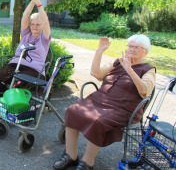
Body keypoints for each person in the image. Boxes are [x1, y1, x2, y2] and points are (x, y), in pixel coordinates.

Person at [53, 35, 156, 170]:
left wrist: (129, 69)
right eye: (130, 46)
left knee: (98, 121)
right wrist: (99, 51)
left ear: (145, 51)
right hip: (99, 99)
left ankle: (87, 162)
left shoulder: (148, 69)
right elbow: (96, 73)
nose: (132, 49)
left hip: (122, 108)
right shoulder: (118, 62)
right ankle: (71, 155)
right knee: (72, 110)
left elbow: (145, 91)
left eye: (136, 47)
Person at [0, 0, 51, 95]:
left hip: (34, 70)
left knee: (18, 81)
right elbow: (25, 16)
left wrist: (39, 4)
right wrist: (33, 1)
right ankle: (1, 100)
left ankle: (15, 105)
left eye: (38, 24)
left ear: (42, 26)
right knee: (1, 75)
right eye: (33, 24)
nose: (34, 26)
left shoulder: (44, 38)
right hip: (16, 63)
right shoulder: (26, 34)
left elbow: (46, 21)